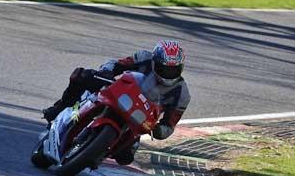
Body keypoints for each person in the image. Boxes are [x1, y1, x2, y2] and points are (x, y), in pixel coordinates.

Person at [43, 39, 191, 165]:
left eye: (173, 69)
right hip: (119, 94)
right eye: (164, 68)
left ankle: (96, 154)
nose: (167, 73)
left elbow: (170, 125)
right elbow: (117, 64)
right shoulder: (144, 57)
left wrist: (159, 130)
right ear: (154, 62)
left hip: (138, 119)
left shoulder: (182, 93)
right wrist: (107, 71)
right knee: (81, 76)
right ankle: (60, 108)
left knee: (125, 158)